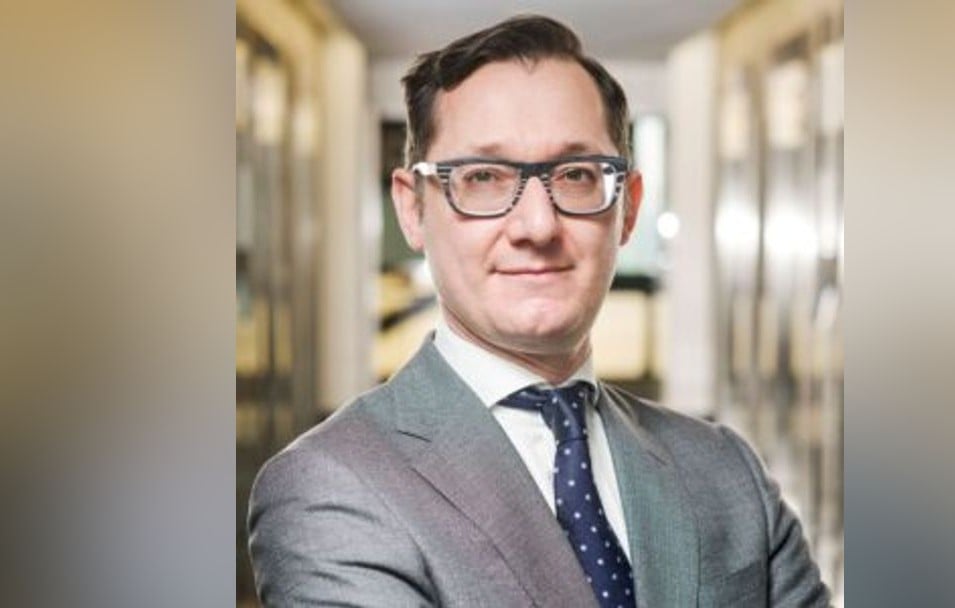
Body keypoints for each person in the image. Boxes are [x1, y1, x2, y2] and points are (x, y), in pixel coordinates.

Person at [248, 14, 830, 607]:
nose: (537, 225)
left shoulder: (726, 472)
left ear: (628, 208)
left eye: (575, 175)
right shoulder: (331, 487)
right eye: (482, 177)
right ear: (413, 209)